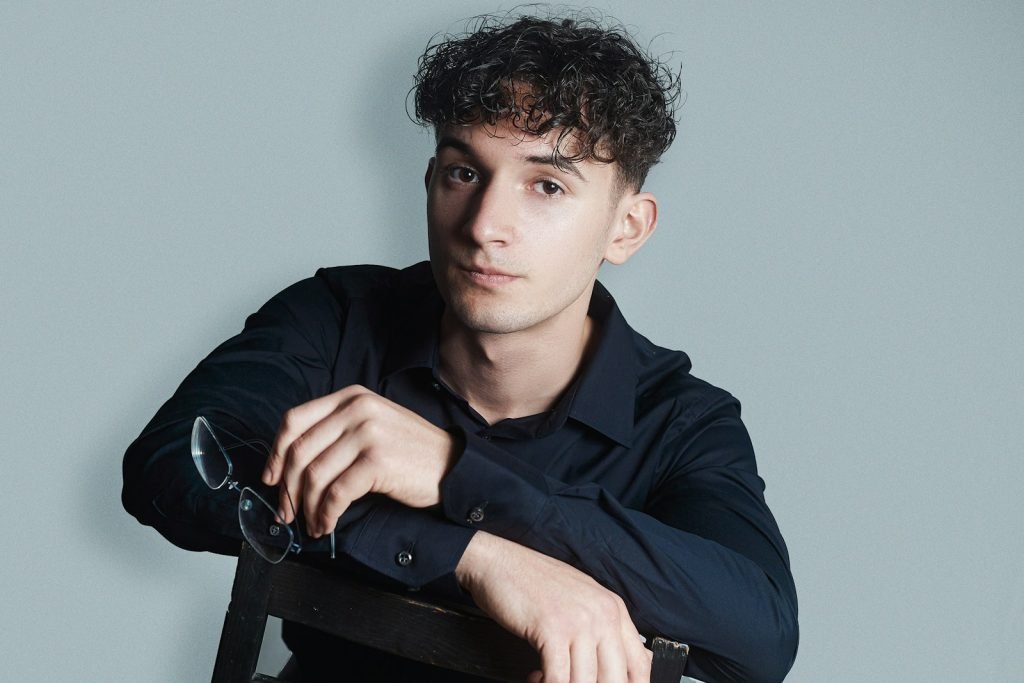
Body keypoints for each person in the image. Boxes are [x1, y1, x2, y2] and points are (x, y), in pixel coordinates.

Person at [122, 11, 798, 683]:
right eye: (464, 173)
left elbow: (760, 633)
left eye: (548, 185)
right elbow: (169, 465)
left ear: (626, 228)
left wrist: (455, 474)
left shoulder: (680, 422)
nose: (485, 227)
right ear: (429, 182)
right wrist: (477, 554)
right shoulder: (337, 320)